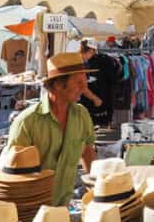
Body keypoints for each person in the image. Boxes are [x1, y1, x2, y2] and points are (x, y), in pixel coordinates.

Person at [7, 52, 97, 206]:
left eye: (85, 81)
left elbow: (87, 152)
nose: (84, 88)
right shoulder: (27, 121)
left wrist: (97, 190)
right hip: (31, 208)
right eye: (78, 82)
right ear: (57, 84)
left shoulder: (81, 115)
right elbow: (13, 171)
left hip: (63, 206)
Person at [77, 40, 121, 127]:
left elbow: (111, 81)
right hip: (96, 100)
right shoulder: (86, 62)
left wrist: (95, 98)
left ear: (92, 51)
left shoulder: (103, 61)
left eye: (85, 52)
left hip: (99, 100)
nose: (83, 55)